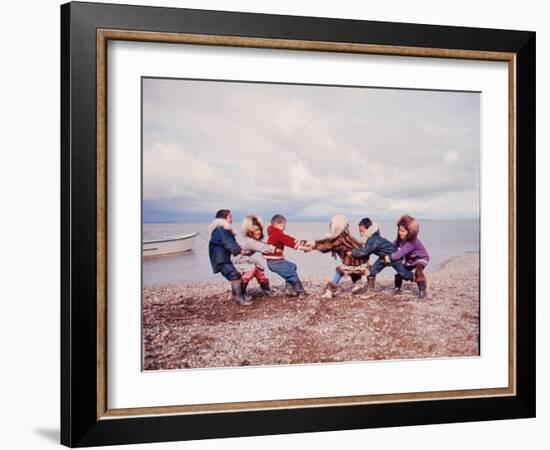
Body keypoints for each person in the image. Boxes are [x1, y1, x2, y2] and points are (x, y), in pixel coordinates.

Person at [310, 214, 370, 298]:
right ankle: (358, 283)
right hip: (360, 259)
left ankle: (330, 292)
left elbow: (325, 246)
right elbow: (357, 244)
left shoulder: (337, 239)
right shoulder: (346, 236)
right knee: (354, 269)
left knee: (340, 271)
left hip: (352, 259)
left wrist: (312, 246)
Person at [347, 217, 411, 293]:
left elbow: (365, 252)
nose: (360, 234)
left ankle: (419, 280)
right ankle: (370, 291)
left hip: (393, 256)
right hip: (383, 257)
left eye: (362, 231)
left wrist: (353, 252)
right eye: (359, 231)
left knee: (404, 274)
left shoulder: (372, 239)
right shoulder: (371, 237)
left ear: (368, 229)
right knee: (372, 271)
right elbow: (366, 250)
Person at [208, 209, 253, 306]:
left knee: (236, 275)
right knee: (235, 275)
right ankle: (238, 299)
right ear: (225, 218)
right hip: (220, 259)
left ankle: (241, 296)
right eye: (230, 216)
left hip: (222, 258)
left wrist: (240, 249)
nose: (232, 218)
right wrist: (239, 251)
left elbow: (230, 242)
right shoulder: (221, 229)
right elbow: (228, 242)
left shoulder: (221, 229)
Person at [384, 214, 430, 300]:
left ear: (410, 232)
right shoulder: (400, 239)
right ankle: (397, 288)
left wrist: (390, 257)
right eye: (399, 230)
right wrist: (384, 248)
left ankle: (422, 291)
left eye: (403, 231)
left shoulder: (412, 242)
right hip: (410, 260)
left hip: (421, 258)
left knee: (418, 271)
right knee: (400, 273)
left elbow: (400, 253)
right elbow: (392, 246)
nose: (400, 233)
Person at [264, 214, 311, 296]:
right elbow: (288, 241)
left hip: (276, 261)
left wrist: (300, 243)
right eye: (283, 225)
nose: (284, 227)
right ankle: (301, 292)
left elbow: (288, 239)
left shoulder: (275, 233)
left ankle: (289, 289)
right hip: (275, 262)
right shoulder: (277, 234)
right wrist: (302, 248)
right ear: (277, 225)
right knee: (292, 274)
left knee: (292, 266)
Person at [233, 215, 277, 298]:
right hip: (238, 260)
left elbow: (263, 244)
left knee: (259, 271)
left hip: (245, 259)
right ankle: (241, 293)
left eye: (259, 229)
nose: (258, 232)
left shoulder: (253, 240)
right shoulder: (249, 241)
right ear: (249, 231)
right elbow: (263, 248)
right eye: (256, 230)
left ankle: (267, 291)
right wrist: (276, 249)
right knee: (251, 270)